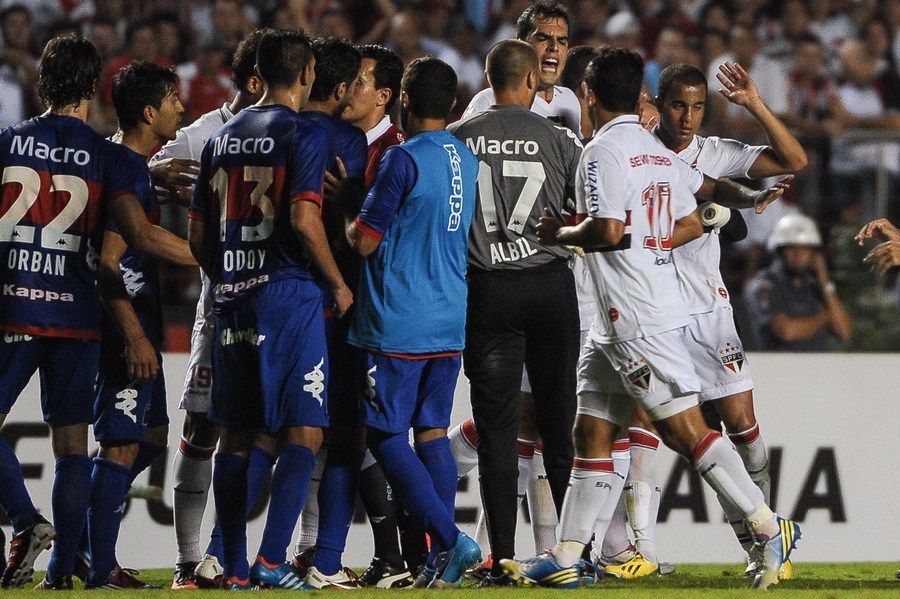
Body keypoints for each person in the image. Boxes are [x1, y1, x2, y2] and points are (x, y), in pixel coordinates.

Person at [501, 47, 802, 592]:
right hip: (621, 320)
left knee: (685, 432)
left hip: (636, 316)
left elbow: (608, 230)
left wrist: (561, 234)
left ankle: (767, 524)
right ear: (643, 98)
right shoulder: (655, 152)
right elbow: (694, 209)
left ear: (589, 92)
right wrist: (738, 200)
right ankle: (568, 553)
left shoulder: (602, 153)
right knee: (590, 430)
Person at [0, 34, 195, 590]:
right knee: (70, 449)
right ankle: (64, 571)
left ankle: (26, 520)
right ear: (92, 87)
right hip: (80, 316)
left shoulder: (9, 143)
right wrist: (211, 252)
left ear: (41, 82)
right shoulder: (107, 157)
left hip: (15, 307)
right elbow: (134, 231)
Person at [604, 61, 810, 578]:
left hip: (707, 313)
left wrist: (756, 105)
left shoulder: (713, 152)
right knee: (649, 426)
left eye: (698, 106)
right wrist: (708, 218)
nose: (688, 116)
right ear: (657, 101)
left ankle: (760, 542)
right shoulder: (635, 149)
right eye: (678, 104)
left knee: (740, 425)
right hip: (650, 311)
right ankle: (643, 548)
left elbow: (794, 159)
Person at [188, 28, 352, 590]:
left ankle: (233, 566)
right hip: (287, 293)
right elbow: (305, 220)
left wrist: (227, 273)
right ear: (307, 73)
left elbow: (197, 234)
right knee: (305, 430)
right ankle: (272, 560)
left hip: (232, 295)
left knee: (237, 434)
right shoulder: (302, 133)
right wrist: (336, 281)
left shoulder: (221, 134)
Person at [447, 39, 582, 585]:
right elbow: (586, 212)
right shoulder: (559, 138)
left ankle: (500, 556)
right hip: (550, 288)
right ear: (531, 82)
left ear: (487, 78)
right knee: (557, 422)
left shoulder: (459, 140)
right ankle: (571, 554)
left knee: (499, 430)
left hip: (489, 292)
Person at [345, 56, 480, 589]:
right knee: (430, 435)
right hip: (449, 317)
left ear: (402, 99)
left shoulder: (401, 159)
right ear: (451, 106)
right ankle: (437, 561)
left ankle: (450, 540)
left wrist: (346, 213)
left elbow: (366, 239)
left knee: (382, 434)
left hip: (397, 319)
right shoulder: (466, 158)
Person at [149, 29, 266, 590]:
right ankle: (189, 560)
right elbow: (142, 171)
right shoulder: (203, 134)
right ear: (256, 81)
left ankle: (239, 557)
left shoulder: (292, 128)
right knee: (202, 425)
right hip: (220, 305)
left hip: (278, 305)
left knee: (278, 430)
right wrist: (150, 174)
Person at [84, 60, 196, 590]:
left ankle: (81, 521)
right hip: (123, 324)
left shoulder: (128, 166)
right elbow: (113, 258)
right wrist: (215, 256)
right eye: (174, 99)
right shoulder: (125, 169)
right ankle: (97, 562)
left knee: (152, 437)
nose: (183, 107)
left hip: (142, 318)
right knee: (123, 444)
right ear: (149, 112)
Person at [316, 43, 419, 589]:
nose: (347, 91)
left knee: (371, 434)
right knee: (350, 435)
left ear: (384, 95)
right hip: (345, 310)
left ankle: (407, 552)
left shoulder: (394, 152)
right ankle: (382, 556)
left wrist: (355, 200)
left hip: (379, 315)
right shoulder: (348, 143)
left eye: (359, 82)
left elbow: (389, 238)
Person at [291, 36, 368, 590]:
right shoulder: (350, 139)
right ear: (340, 88)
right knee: (344, 435)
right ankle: (324, 559)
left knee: (257, 435)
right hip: (334, 305)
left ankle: (229, 557)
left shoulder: (273, 129)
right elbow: (353, 225)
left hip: (271, 296)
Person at [461, 0, 581, 137]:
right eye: (543, 38)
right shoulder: (488, 100)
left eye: (562, 41)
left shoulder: (569, 99)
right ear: (521, 44)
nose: (554, 47)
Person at [745, 213, 853, 351]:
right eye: (792, 248)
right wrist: (825, 317)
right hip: (777, 367)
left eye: (805, 248)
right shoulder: (764, 286)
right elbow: (787, 332)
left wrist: (824, 280)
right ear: (780, 251)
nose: (799, 254)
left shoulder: (817, 286)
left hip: (818, 367)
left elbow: (844, 332)